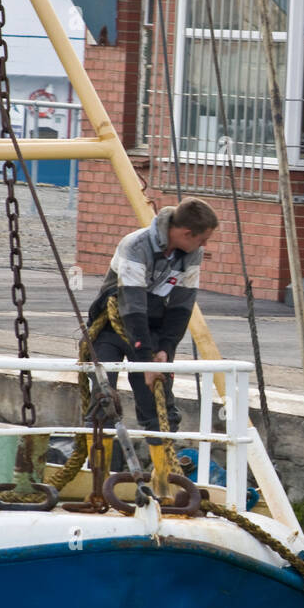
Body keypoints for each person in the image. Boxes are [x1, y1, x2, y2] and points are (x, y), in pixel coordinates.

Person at [88, 198, 219, 470]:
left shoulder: (191, 254)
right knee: (103, 400)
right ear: (186, 234)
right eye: (203, 239)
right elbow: (131, 307)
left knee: (157, 404)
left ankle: (164, 477)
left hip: (153, 327)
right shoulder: (135, 246)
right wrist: (146, 359)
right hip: (112, 326)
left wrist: (165, 350)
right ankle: (100, 477)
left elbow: (182, 306)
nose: (205, 246)